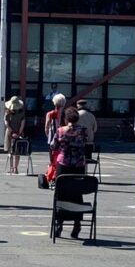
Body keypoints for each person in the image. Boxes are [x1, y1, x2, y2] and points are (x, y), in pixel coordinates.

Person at [51, 106, 89, 238]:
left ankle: (59, 223)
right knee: (77, 193)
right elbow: (86, 143)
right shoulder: (83, 131)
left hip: (64, 164)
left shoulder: (61, 131)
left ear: (66, 118)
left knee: (61, 193)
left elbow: (53, 145)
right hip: (78, 164)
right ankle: (77, 223)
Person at [41, 94, 67, 188]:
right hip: (64, 139)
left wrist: (49, 136)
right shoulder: (65, 114)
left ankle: (52, 176)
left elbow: (46, 127)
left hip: (52, 140)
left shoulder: (50, 114)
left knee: (52, 159)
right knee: (62, 158)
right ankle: (59, 175)